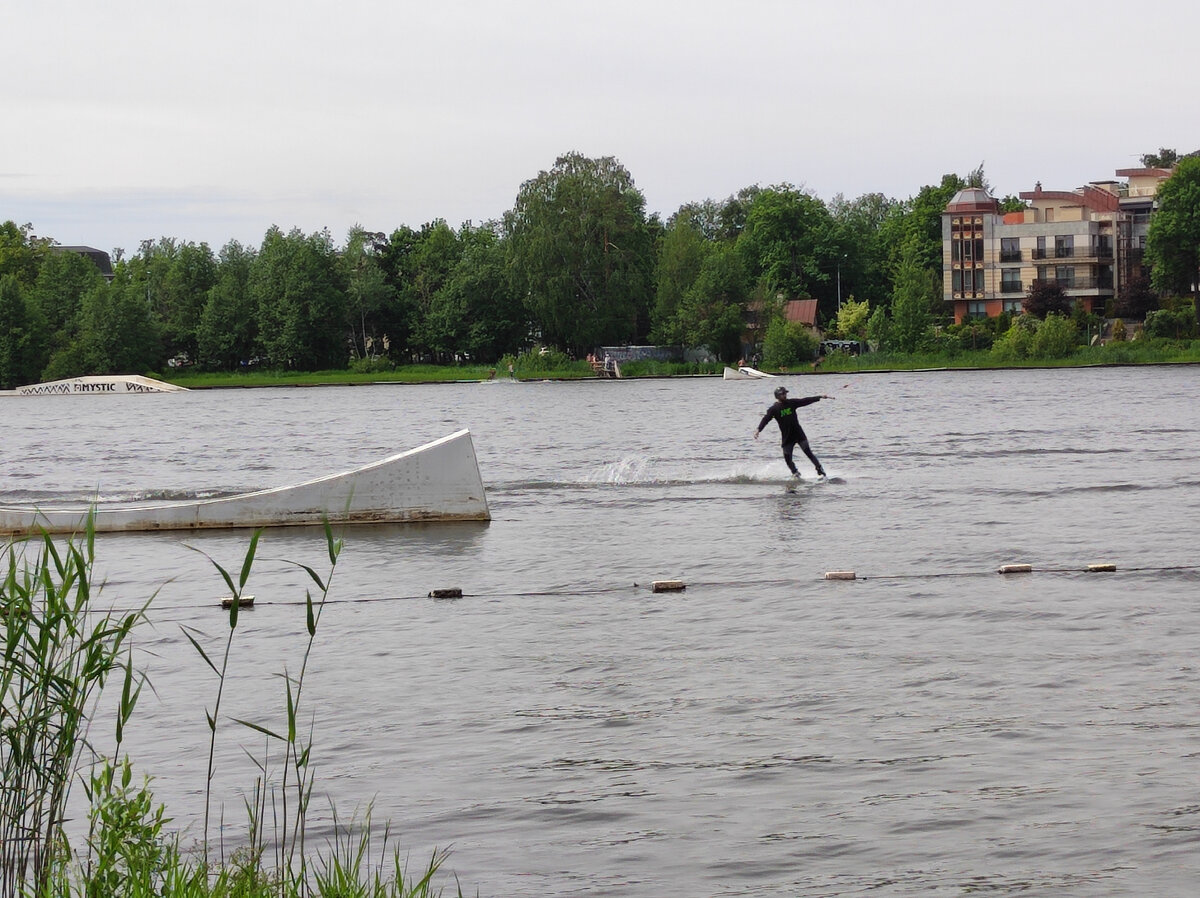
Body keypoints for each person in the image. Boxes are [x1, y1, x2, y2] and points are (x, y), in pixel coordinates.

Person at [753, 385, 832, 478]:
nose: (785, 395)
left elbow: (805, 400)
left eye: (785, 393)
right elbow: (765, 419)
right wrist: (758, 430)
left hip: (798, 434)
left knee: (808, 453)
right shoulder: (773, 409)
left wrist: (819, 397)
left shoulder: (791, 403)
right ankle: (795, 473)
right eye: (783, 394)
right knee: (787, 458)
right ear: (777, 396)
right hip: (787, 437)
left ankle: (820, 469)